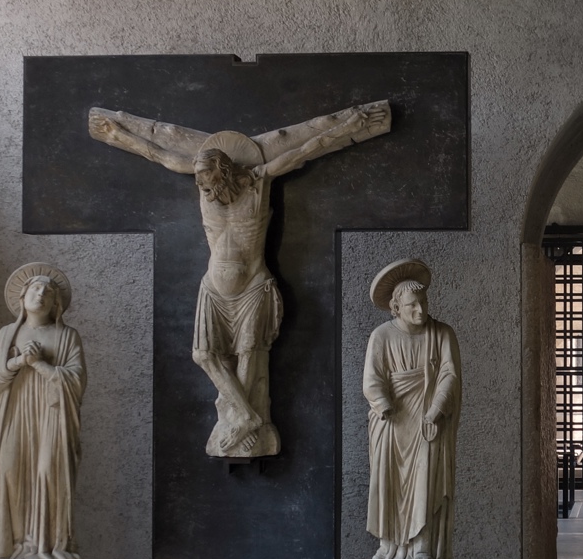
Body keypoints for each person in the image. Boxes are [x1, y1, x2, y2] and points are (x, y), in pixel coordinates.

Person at [88, 99, 390, 457]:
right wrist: (119, 133)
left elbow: (309, 149)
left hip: (252, 285)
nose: (201, 184)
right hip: (213, 288)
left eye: (206, 177)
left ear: (224, 169)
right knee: (203, 355)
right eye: (198, 178)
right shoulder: (203, 185)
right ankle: (244, 416)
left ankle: (248, 426)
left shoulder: (260, 180)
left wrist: (349, 125)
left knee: (250, 356)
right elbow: (159, 154)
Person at [0, 263, 86, 559]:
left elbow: (76, 381)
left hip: (52, 418)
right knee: (9, 471)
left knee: (49, 475)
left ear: (56, 303)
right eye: (34, 289)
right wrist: (19, 361)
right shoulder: (7, 334)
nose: (40, 294)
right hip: (16, 413)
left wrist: (40, 364)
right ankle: (12, 551)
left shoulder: (67, 336)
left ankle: (50, 548)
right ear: (22, 297)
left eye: (47, 291)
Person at [362, 259, 461, 559]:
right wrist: (383, 404)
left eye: (424, 303)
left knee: (426, 482)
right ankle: (388, 547)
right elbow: (371, 380)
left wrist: (434, 411)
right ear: (396, 308)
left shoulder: (442, 333)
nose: (420, 310)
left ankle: (421, 546)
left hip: (426, 422)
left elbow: (449, 376)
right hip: (391, 423)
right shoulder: (381, 336)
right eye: (412, 305)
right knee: (389, 484)